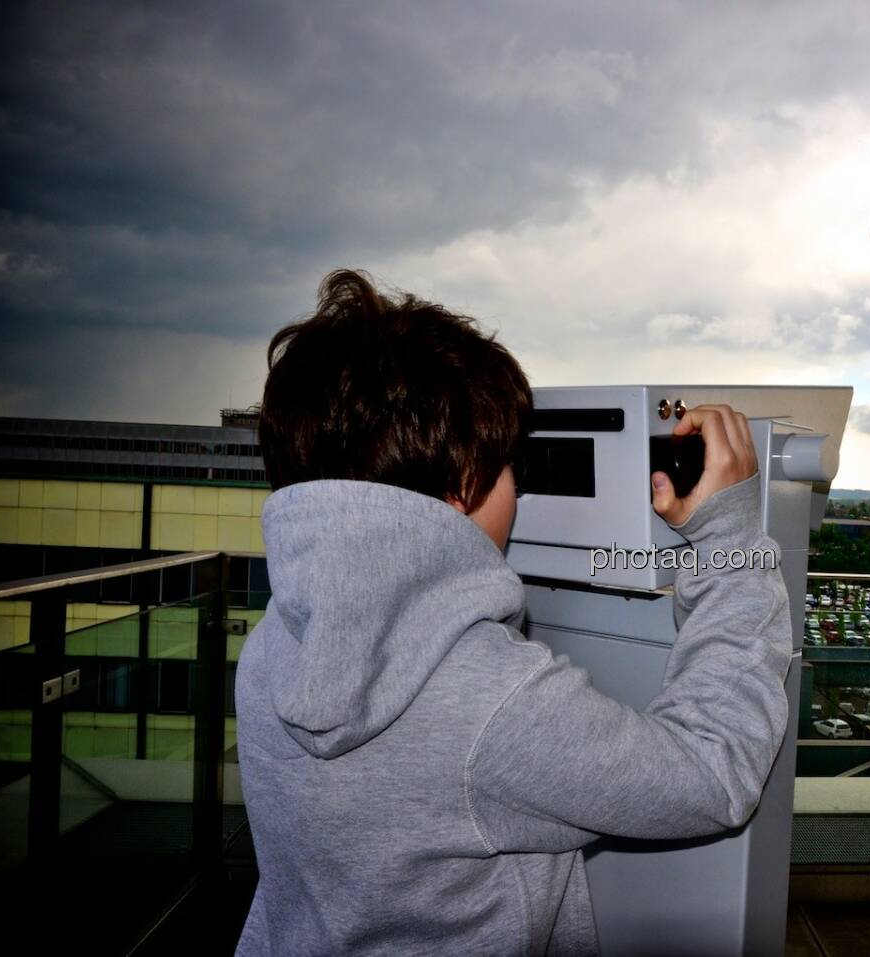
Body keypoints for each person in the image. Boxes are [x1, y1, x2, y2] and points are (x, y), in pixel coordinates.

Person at [234, 269, 792, 955]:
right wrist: (729, 537)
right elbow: (713, 771)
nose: (519, 494)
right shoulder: (493, 703)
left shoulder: (274, 642)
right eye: (511, 470)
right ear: (467, 480)